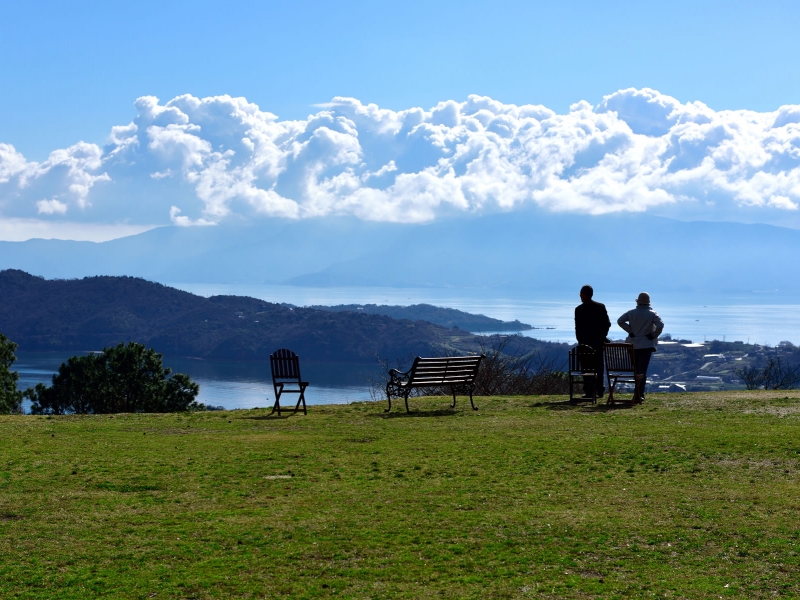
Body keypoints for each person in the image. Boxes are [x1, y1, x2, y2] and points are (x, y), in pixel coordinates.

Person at [617, 292, 664, 402]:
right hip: (646, 345)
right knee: (642, 371)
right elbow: (660, 325)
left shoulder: (631, 313)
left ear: (638, 302)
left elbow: (620, 321)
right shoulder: (652, 314)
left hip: (632, 345)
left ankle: (637, 393)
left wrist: (630, 331)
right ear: (648, 303)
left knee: (636, 370)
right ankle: (639, 394)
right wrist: (653, 335)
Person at [574, 285, 611, 399]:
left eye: (581, 293)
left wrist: (580, 340)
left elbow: (578, 328)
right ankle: (600, 389)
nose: (580, 295)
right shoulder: (600, 307)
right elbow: (607, 324)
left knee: (586, 368)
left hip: (585, 343)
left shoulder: (579, 309)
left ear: (584, 294)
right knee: (599, 367)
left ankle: (589, 391)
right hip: (598, 342)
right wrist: (602, 337)